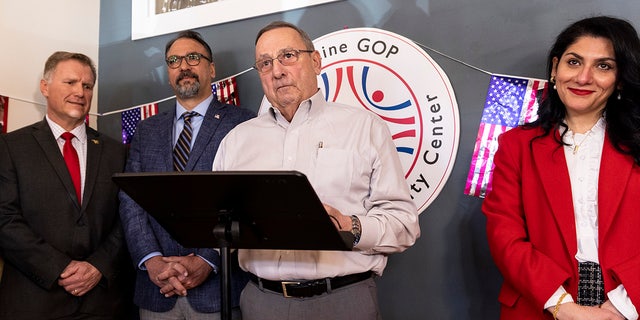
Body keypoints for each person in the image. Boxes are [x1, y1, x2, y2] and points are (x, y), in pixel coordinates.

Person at [212, 21, 420, 320]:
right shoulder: (236, 141)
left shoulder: (365, 128)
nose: (277, 70)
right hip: (261, 303)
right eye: (265, 63)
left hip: (344, 301)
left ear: (316, 61)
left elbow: (404, 224)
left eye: (288, 56)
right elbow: (219, 228)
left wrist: (350, 226)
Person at [483, 16, 640, 320]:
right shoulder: (515, 145)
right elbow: (504, 235)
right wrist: (561, 305)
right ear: (555, 69)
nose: (583, 78)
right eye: (573, 62)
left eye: (603, 66)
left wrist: (622, 305)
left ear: (620, 79)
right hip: (540, 304)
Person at [119, 30, 255, 320]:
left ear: (211, 68)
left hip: (218, 290)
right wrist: (152, 261)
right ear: (168, 72)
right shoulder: (146, 130)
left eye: (193, 57)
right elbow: (131, 201)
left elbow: (248, 199)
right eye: (174, 61)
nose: (184, 66)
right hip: (157, 289)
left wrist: (208, 259)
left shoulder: (243, 123)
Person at [0, 51, 131, 319]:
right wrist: (60, 268)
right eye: (70, 82)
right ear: (45, 87)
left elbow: (127, 218)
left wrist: (97, 266)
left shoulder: (117, 152)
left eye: (87, 85)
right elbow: (5, 219)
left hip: (103, 303)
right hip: (33, 301)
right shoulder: (10, 147)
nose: (80, 92)